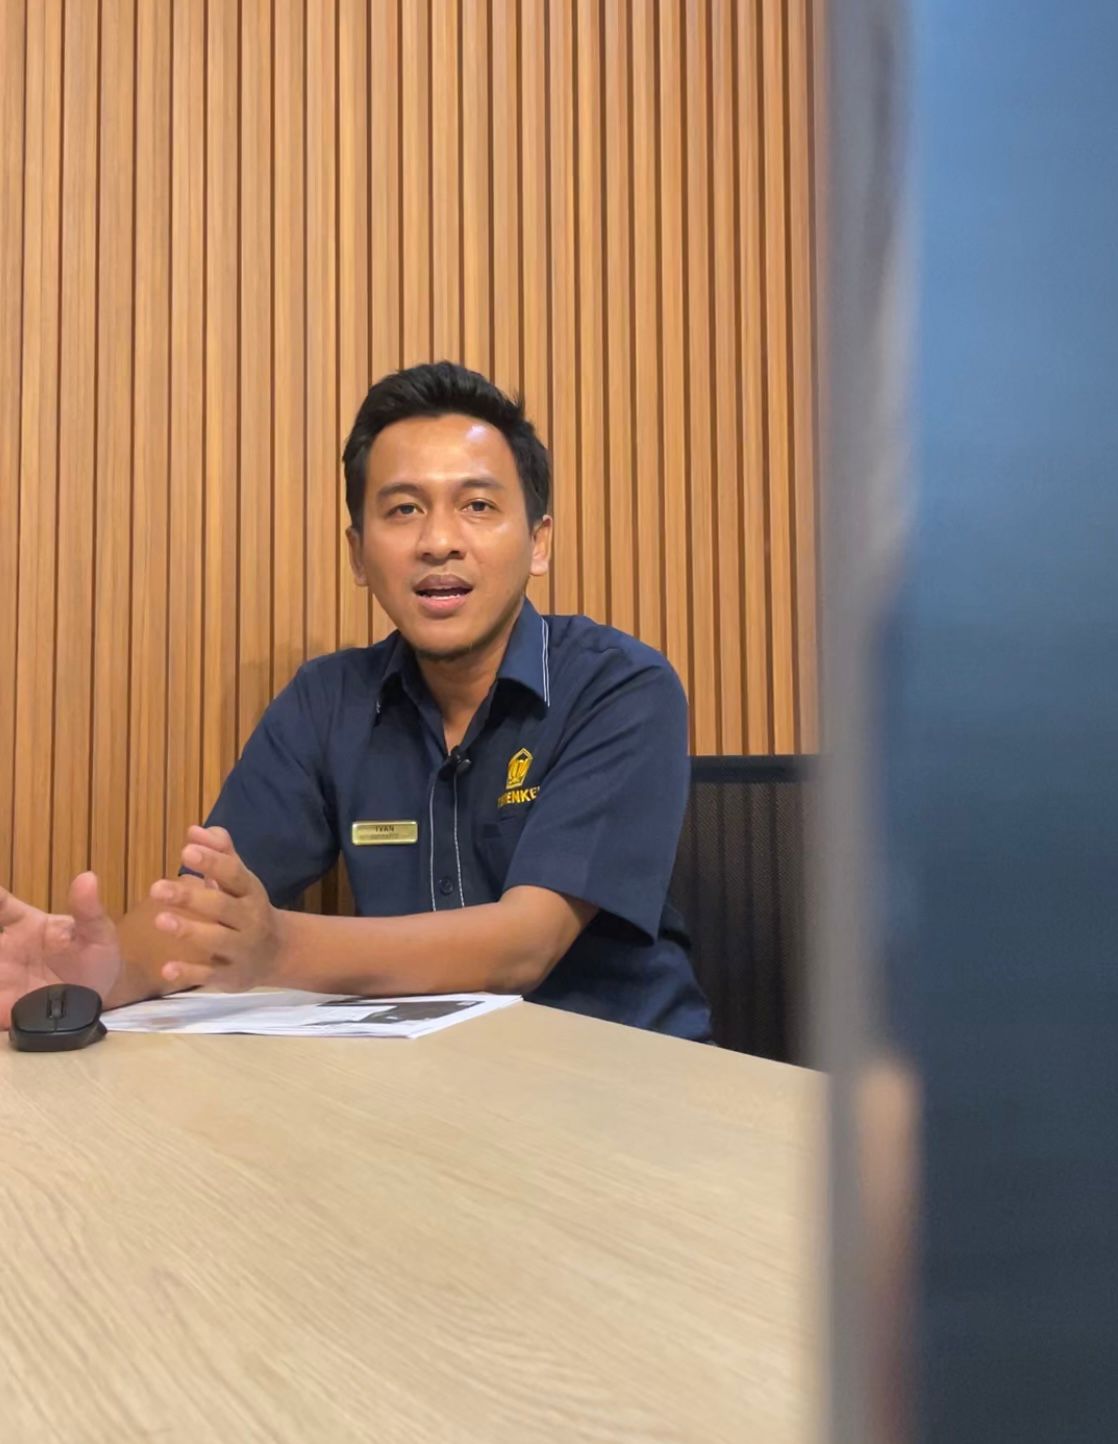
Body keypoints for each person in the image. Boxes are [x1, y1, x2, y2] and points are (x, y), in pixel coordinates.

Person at [0, 362, 711, 1041]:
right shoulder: (326, 702)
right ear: (358, 553)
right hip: (429, 1090)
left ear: (538, 542)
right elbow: (207, 919)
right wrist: (97, 975)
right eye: (403, 509)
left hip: (623, 1081)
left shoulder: (620, 686)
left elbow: (525, 945)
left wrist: (278, 949)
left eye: (478, 506)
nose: (439, 541)